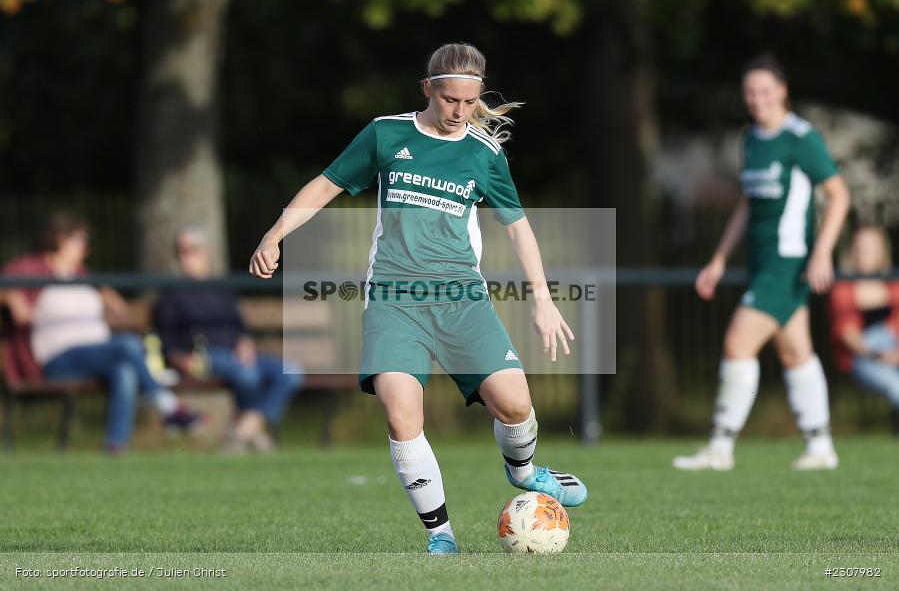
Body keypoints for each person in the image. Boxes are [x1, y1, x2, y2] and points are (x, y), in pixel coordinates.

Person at [249, 43, 586, 554]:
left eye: (470, 103)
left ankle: (523, 471)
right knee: (402, 414)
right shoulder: (388, 133)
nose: (459, 113)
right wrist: (275, 235)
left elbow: (517, 227)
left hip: (462, 297)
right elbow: (324, 186)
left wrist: (542, 298)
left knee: (515, 404)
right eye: (450, 100)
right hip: (393, 297)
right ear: (428, 89)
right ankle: (441, 536)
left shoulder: (484, 152)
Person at [674, 54, 850, 471]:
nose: (757, 99)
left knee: (738, 343)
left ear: (782, 91)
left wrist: (823, 250)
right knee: (795, 352)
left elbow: (839, 195)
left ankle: (720, 446)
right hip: (762, 261)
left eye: (765, 90)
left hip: (790, 262)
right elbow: (747, 205)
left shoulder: (800, 138)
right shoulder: (750, 138)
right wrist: (718, 260)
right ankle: (821, 446)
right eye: (750, 92)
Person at [1, 213, 201, 453]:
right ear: (61, 240)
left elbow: (120, 307)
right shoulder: (31, 267)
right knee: (127, 344)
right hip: (57, 359)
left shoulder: (83, 274)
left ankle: (115, 446)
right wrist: (12, 297)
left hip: (95, 355)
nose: (86, 248)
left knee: (124, 371)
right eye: (81, 241)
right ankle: (167, 403)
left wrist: (105, 293)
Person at [153, 226, 302, 453]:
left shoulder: (221, 288)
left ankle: (245, 429)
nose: (186, 257)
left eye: (192, 250)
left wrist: (245, 343)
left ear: (205, 253)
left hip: (235, 353)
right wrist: (179, 359)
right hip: (203, 356)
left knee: (290, 372)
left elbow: (240, 327)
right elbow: (166, 340)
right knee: (247, 374)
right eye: (181, 252)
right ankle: (251, 431)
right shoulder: (172, 294)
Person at [829, 225, 899, 415]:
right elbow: (848, 334)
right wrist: (879, 355)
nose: (863, 252)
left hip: (894, 348)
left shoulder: (893, 284)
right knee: (894, 385)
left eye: (869, 247)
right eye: (859, 247)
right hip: (865, 357)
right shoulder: (843, 288)